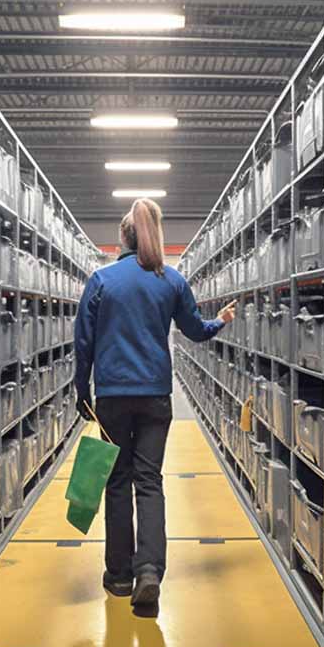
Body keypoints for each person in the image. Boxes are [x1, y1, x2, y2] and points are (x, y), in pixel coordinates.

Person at [73, 198, 237, 613]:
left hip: (111, 397)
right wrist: (222, 321)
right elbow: (196, 331)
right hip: (155, 397)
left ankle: (119, 574)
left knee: (117, 482)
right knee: (149, 481)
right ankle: (149, 571)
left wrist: (81, 391)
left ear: (122, 238)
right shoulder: (172, 280)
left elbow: (83, 345)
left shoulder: (101, 280)